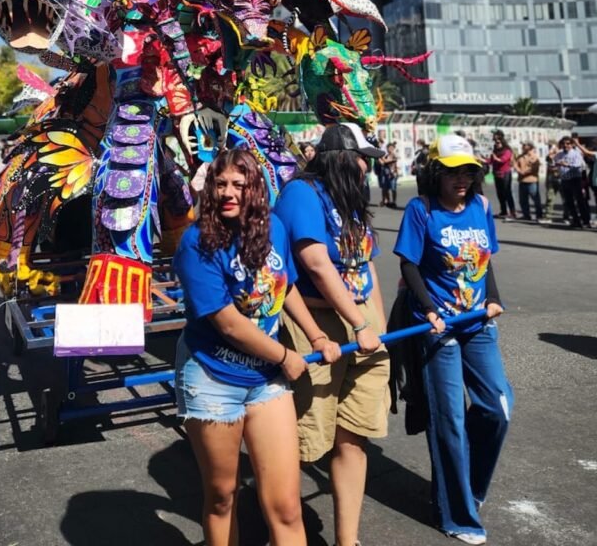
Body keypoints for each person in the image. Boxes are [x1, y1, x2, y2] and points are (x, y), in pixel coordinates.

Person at [173, 148, 340, 546]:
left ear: (257, 190)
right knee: (222, 496)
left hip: (265, 379)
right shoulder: (196, 243)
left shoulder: (274, 227)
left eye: (239, 184)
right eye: (220, 184)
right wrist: (285, 356)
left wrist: (316, 335)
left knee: (286, 506)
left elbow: (285, 286)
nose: (228, 193)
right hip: (213, 378)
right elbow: (229, 323)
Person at [274, 123, 390, 546]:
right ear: (341, 158)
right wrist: (359, 324)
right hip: (317, 322)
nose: (367, 168)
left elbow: (367, 264)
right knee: (306, 437)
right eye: (362, 159)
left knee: (353, 434)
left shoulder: (351, 199)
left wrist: (377, 325)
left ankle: (348, 539)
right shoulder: (302, 193)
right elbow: (316, 263)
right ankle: (285, 533)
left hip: (361, 321)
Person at [394, 134, 512, 545]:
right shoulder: (421, 209)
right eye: (451, 171)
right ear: (435, 173)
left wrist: (493, 298)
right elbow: (409, 265)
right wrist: (429, 311)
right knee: (449, 420)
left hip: (478, 323)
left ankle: (467, 487)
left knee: (498, 407)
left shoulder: (480, 206)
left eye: (467, 171)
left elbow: (485, 261)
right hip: (437, 328)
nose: (461, 178)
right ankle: (457, 516)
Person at [554, 136, 588, 228]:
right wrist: (555, 164)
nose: (565, 145)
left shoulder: (576, 154)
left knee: (580, 201)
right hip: (564, 180)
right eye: (563, 144)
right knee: (569, 202)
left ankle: (585, 221)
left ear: (572, 144)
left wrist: (566, 164)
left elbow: (577, 165)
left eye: (568, 143)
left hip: (575, 180)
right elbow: (553, 162)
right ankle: (576, 221)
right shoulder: (559, 154)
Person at [486, 132, 516, 221]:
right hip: (497, 174)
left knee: (507, 193)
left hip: (505, 173)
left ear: (502, 141)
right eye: (495, 141)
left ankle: (512, 212)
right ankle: (503, 211)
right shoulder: (495, 151)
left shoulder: (507, 150)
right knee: (500, 193)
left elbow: (503, 160)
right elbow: (490, 161)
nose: (496, 143)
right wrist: (481, 159)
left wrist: (495, 158)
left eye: (498, 142)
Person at [513, 143, 542, 222]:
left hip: (532, 180)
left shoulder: (534, 157)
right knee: (523, 200)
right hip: (522, 180)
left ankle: (539, 215)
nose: (524, 148)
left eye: (526, 147)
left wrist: (524, 172)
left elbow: (534, 168)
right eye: (523, 147)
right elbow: (515, 165)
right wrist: (519, 171)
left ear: (530, 148)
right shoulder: (520, 156)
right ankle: (526, 215)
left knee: (535, 199)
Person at [380, 142, 399, 208]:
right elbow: (383, 162)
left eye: (392, 148)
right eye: (389, 148)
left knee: (393, 189)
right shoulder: (386, 155)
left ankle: (394, 202)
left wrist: (388, 160)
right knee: (385, 188)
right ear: (387, 148)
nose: (390, 149)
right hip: (386, 174)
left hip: (393, 174)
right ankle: (388, 201)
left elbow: (396, 159)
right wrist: (389, 160)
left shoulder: (394, 154)